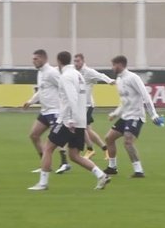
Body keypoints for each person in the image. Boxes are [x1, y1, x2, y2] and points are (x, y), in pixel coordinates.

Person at [29, 51, 111, 191]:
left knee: (48, 148)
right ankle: (101, 175)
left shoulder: (66, 76)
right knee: (74, 155)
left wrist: (70, 119)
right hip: (80, 120)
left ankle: (43, 183)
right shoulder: (78, 75)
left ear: (59, 62)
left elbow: (72, 98)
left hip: (68, 121)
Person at [104, 55, 160, 178]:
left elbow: (145, 96)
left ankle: (138, 171)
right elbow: (124, 102)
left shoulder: (133, 78)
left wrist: (153, 114)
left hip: (135, 116)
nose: (112, 67)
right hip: (125, 116)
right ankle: (112, 167)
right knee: (109, 138)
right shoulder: (119, 80)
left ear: (120, 64)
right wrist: (115, 113)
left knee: (128, 142)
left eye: (113, 65)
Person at [22, 49, 70, 174]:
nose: (33, 61)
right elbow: (41, 90)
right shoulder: (41, 73)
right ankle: (45, 164)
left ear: (43, 59)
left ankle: (65, 163)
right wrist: (31, 101)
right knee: (34, 135)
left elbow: (64, 86)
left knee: (57, 138)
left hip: (55, 111)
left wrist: (65, 106)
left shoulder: (51, 72)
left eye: (36, 59)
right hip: (45, 111)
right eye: (33, 59)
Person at [73, 53, 115, 159]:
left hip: (87, 105)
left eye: (78, 61)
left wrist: (109, 81)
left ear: (83, 61)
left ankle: (90, 149)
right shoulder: (73, 70)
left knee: (81, 128)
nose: (76, 63)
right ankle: (105, 150)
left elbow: (100, 75)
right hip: (80, 106)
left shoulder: (88, 72)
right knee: (88, 130)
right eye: (75, 61)